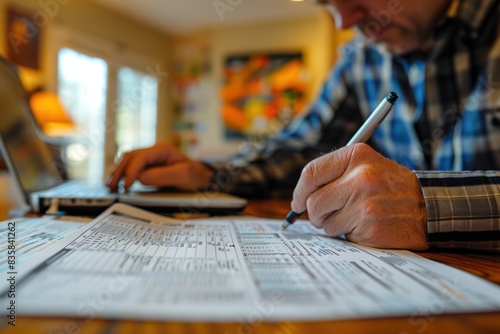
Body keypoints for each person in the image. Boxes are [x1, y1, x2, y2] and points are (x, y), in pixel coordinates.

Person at [108, 0, 500, 252]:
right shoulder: (362, 58)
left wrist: (427, 205)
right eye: (326, 2)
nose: (345, 19)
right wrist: (210, 173)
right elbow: (304, 145)